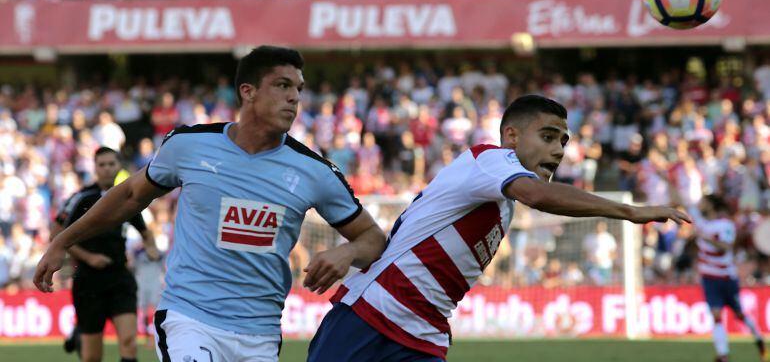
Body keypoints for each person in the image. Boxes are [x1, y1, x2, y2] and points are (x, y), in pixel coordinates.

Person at [35, 45, 387, 362]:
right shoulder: (189, 146)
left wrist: (346, 253)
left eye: (298, 88)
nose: (294, 97)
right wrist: (62, 241)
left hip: (260, 334)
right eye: (282, 85)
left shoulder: (316, 171)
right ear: (247, 92)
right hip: (190, 319)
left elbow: (373, 239)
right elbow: (128, 196)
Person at [308, 95, 691, 362]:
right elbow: (539, 196)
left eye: (562, 140)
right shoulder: (489, 160)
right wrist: (628, 211)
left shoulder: (502, 201)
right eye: (547, 137)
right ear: (511, 137)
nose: (558, 150)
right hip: (374, 313)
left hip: (424, 334)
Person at [52, 147, 160, 362]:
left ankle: (78, 332)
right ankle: (80, 333)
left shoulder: (126, 199)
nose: (107, 169)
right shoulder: (82, 198)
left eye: (111, 164)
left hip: (120, 277)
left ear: (118, 166)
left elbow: (146, 233)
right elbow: (57, 236)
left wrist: (151, 247)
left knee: (129, 342)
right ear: (95, 167)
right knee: (92, 356)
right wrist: (88, 257)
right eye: (102, 164)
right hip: (89, 281)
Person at [689, 194, 767, 362]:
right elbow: (682, 200)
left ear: (712, 206)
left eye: (704, 202)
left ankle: (759, 339)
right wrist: (665, 179)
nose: (700, 204)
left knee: (739, 314)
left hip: (726, 278)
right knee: (716, 315)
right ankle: (722, 355)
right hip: (709, 278)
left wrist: (705, 239)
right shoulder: (702, 222)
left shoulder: (725, 225)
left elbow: (725, 247)